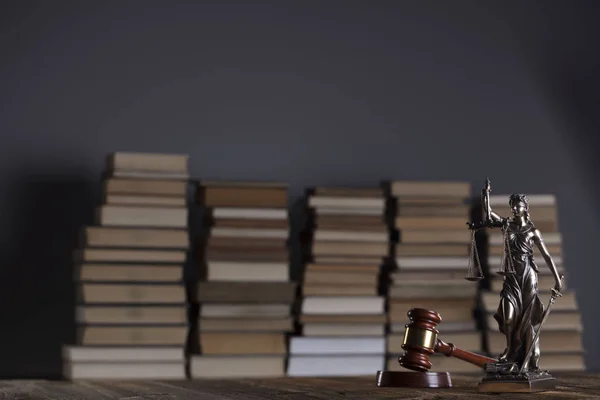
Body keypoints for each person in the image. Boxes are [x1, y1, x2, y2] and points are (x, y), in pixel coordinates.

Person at [482, 185, 563, 371]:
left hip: (527, 277)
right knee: (508, 317)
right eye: (512, 206)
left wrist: (557, 279)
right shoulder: (507, 225)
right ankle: (510, 350)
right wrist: (485, 195)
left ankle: (530, 355)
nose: (514, 209)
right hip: (511, 278)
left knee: (526, 319)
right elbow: (489, 214)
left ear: (525, 208)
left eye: (518, 206)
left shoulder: (533, 231)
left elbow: (547, 256)